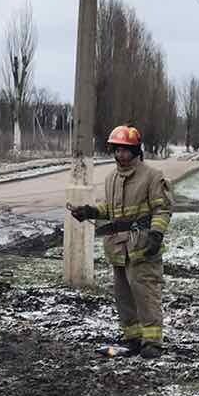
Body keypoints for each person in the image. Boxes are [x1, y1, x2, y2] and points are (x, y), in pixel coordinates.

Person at [67, 124, 174, 357]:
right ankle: (132, 337)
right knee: (123, 296)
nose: (120, 155)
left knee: (146, 294)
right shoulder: (111, 178)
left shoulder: (152, 177)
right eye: (116, 150)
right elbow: (113, 209)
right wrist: (89, 211)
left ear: (136, 151)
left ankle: (152, 342)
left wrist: (156, 235)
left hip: (143, 247)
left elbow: (162, 209)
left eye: (125, 150)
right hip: (119, 248)